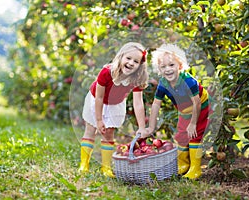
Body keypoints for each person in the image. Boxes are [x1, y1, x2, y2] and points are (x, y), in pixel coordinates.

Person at [79, 42, 149, 177]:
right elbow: (99, 97)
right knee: (90, 130)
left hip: (115, 104)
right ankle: (84, 163)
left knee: (109, 133)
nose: (131, 63)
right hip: (96, 101)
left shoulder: (136, 78)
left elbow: (138, 103)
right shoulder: (107, 72)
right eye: (128, 58)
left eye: (136, 61)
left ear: (140, 66)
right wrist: (99, 120)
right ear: (121, 57)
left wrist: (142, 127)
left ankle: (106, 168)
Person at [143, 43, 209, 179]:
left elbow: (196, 103)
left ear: (180, 65)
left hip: (200, 106)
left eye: (171, 65)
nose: (168, 69)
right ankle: (183, 164)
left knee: (194, 134)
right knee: (181, 135)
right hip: (184, 109)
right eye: (163, 67)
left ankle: (195, 168)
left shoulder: (188, 81)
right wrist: (151, 127)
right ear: (159, 70)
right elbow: (156, 104)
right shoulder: (163, 83)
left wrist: (192, 123)